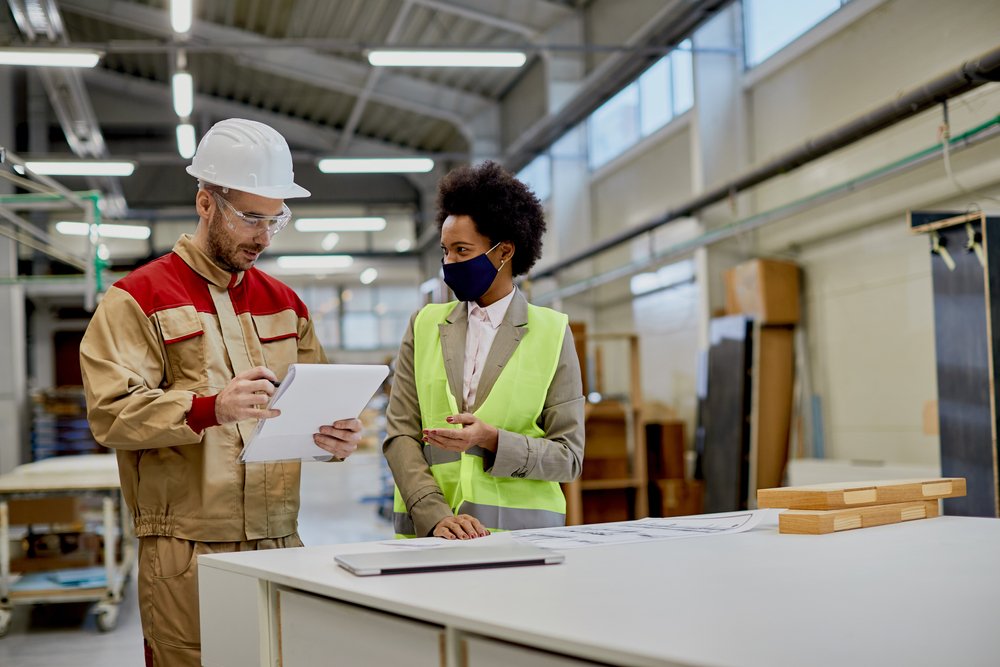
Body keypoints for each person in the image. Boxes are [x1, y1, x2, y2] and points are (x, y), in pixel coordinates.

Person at [80, 118, 362, 667]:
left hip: (280, 539)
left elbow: (316, 405)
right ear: (205, 203)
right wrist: (210, 408)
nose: (263, 235)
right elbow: (110, 414)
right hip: (186, 550)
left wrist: (333, 437)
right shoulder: (136, 299)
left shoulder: (287, 304)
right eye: (250, 217)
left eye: (275, 219)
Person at [384, 161, 585, 539]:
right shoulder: (424, 325)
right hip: (433, 537)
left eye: (462, 250)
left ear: (504, 251)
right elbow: (400, 436)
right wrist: (434, 514)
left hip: (523, 541)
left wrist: (492, 440)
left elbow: (568, 458)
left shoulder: (552, 333)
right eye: (445, 251)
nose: (449, 264)